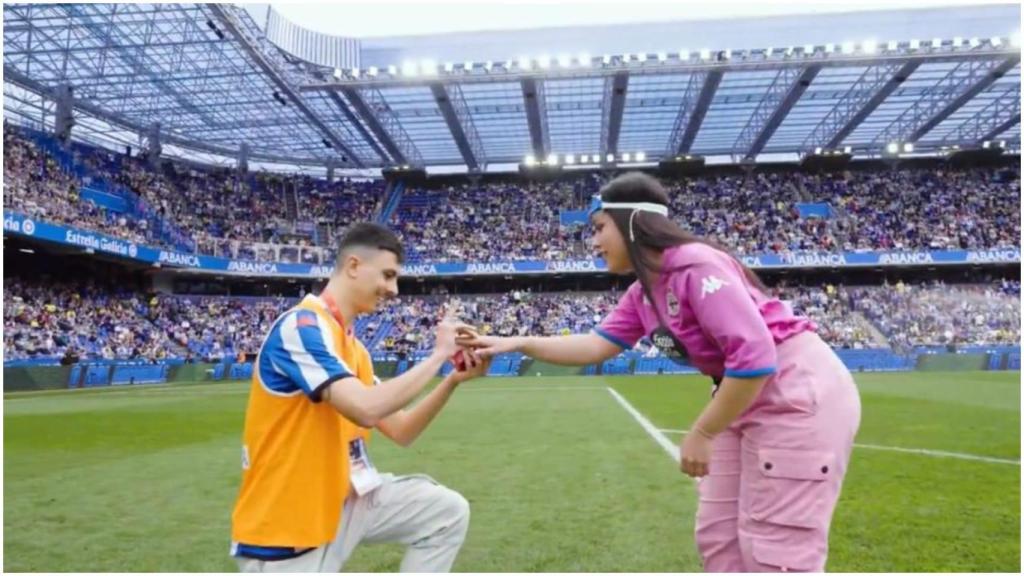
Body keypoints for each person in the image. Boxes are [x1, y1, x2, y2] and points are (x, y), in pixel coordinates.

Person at [460, 173, 861, 572]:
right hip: (740, 394)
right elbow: (595, 345)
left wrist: (703, 432)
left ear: (633, 222)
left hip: (793, 393)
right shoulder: (644, 291)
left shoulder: (696, 264)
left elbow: (754, 356)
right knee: (718, 536)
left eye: (600, 228)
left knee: (775, 548)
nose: (594, 242)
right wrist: (515, 342)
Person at [230, 222, 489, 573]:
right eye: (387, 275)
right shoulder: (301, 327)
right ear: (353, 266)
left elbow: (402, 430)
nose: (393, 289)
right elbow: (366, 409)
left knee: (446, 512)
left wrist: (452, 380)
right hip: (288, 527)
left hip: (345, 500)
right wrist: (438, 355)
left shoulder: (354, 348)